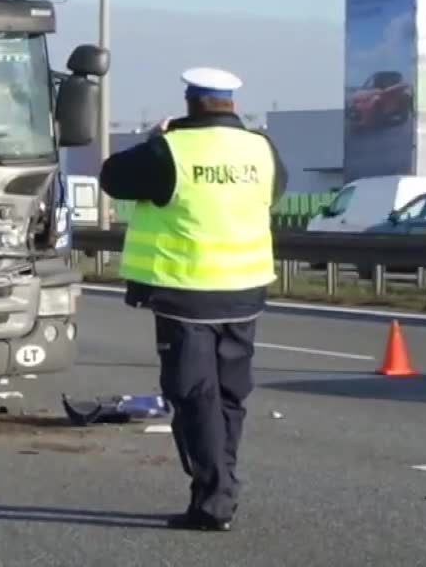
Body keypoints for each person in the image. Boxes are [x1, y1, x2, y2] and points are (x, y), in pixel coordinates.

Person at [98, 67, 287, 532]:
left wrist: (153, 139)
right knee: (229, 395)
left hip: (187, 293)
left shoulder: (170, 150)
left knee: (193, 394)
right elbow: (275, 192)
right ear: (231, 105)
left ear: (190, 102)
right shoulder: (262, 150)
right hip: (245, 292)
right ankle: (220, 487)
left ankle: (214, 499)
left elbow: (113, 178)